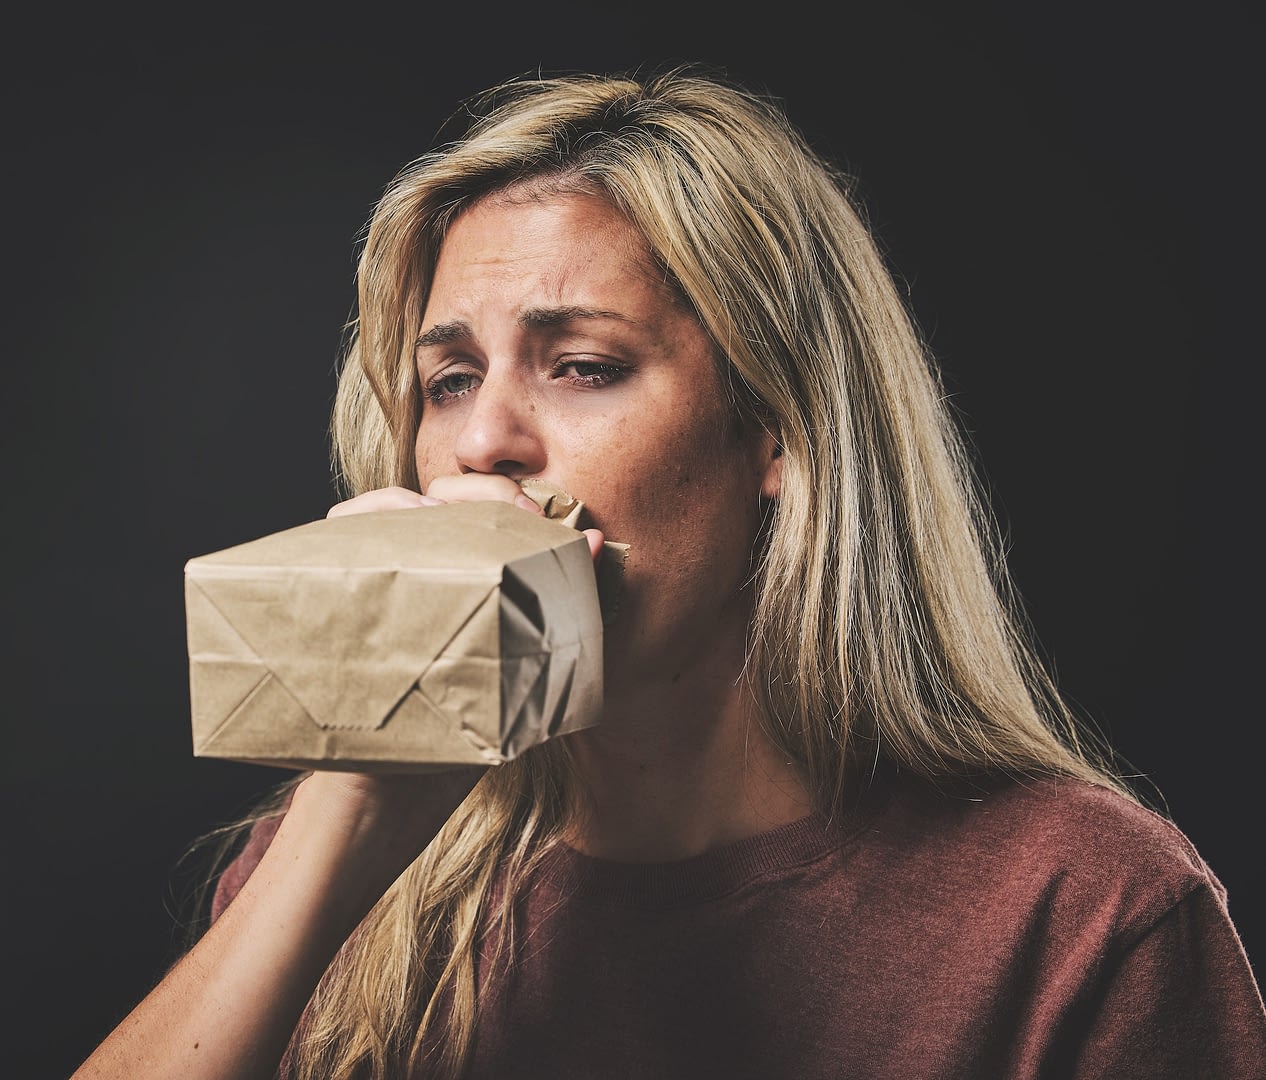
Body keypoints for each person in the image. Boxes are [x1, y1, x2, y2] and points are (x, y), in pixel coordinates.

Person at [73, 65, 1265, 1080]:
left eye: (581, 365)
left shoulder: (1085, 915)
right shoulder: (333, 863)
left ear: (779, 435)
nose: (485, 442)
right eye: (448, 381)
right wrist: (349, 813)